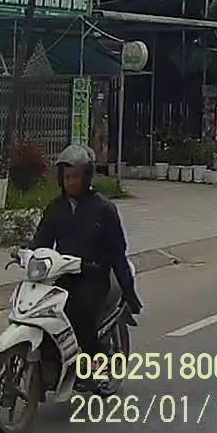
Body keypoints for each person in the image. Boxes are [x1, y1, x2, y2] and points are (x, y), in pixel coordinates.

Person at [28, 144, 142, 357]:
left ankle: (93, 358)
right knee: (40, 308)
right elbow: (41, 243)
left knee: (78, 309)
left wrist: (129, 292)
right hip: (63, 274)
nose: (70, 182)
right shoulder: (55, 208)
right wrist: (27, 255)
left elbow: (118, 254)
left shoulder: (104, 209)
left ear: (86, 177)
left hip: (94, 277)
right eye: (66, 177)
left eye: (75, 177)